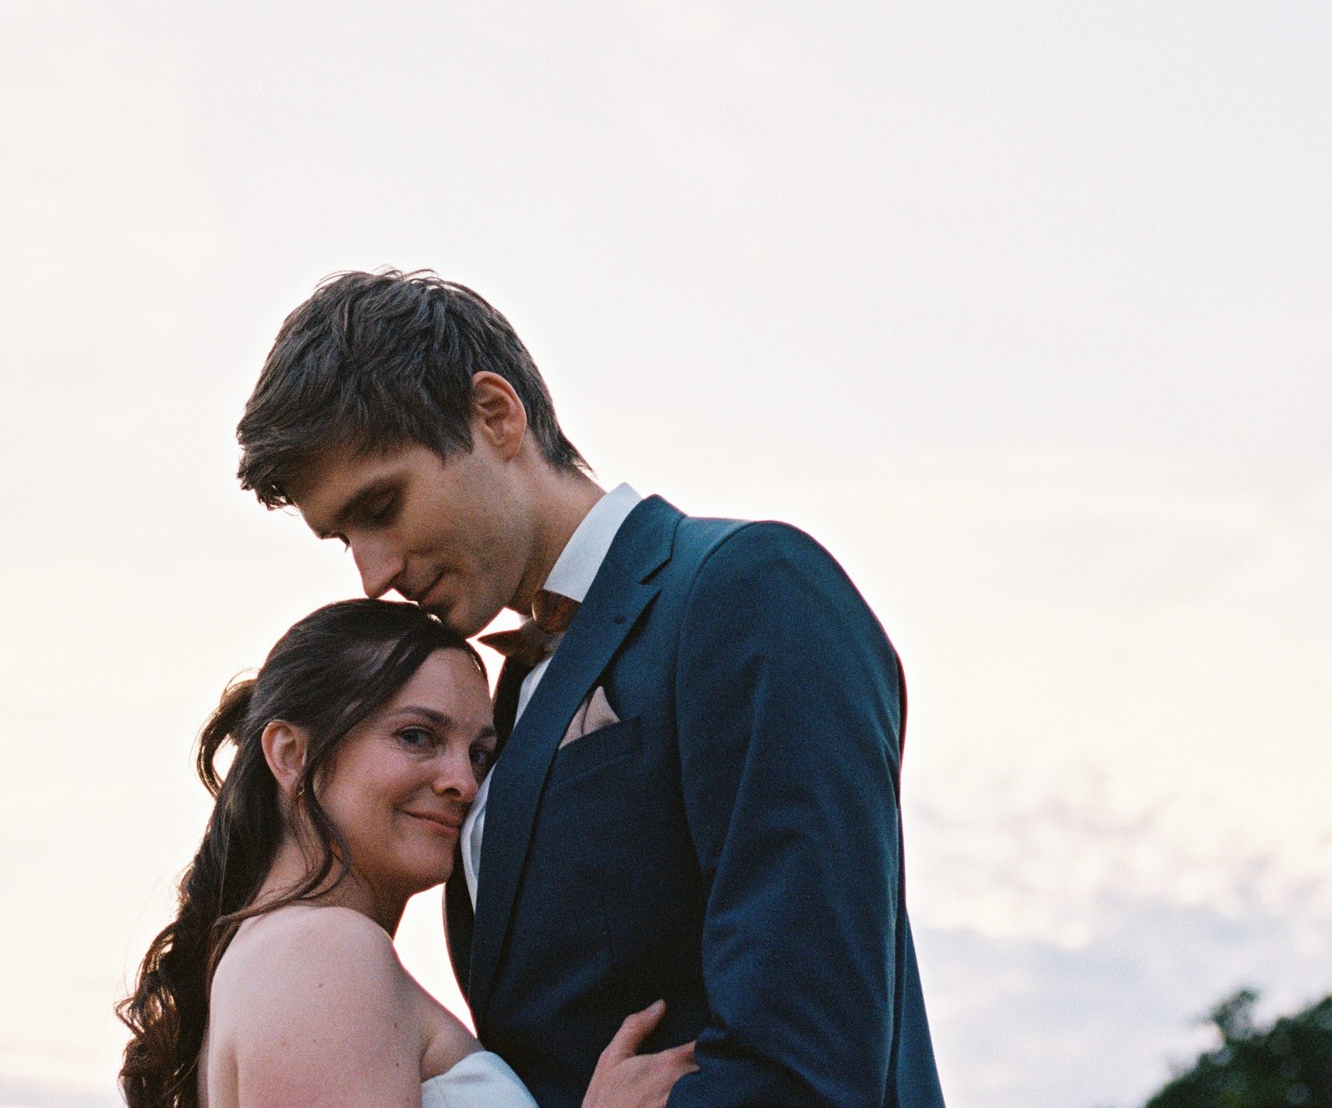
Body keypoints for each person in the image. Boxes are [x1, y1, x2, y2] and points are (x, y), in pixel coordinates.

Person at [234, 271, 946, 1108]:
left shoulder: (745, 589)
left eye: (383, 505)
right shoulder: (499, 706)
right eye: (344, 538)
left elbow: (810, 1055)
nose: (374, 573)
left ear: (496, 415)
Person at [118, 599, 698, 1108]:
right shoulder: (324, 951)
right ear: (292, 755)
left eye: (478, 754)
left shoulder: (280, 953)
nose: (463, 783)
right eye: (417, 736)